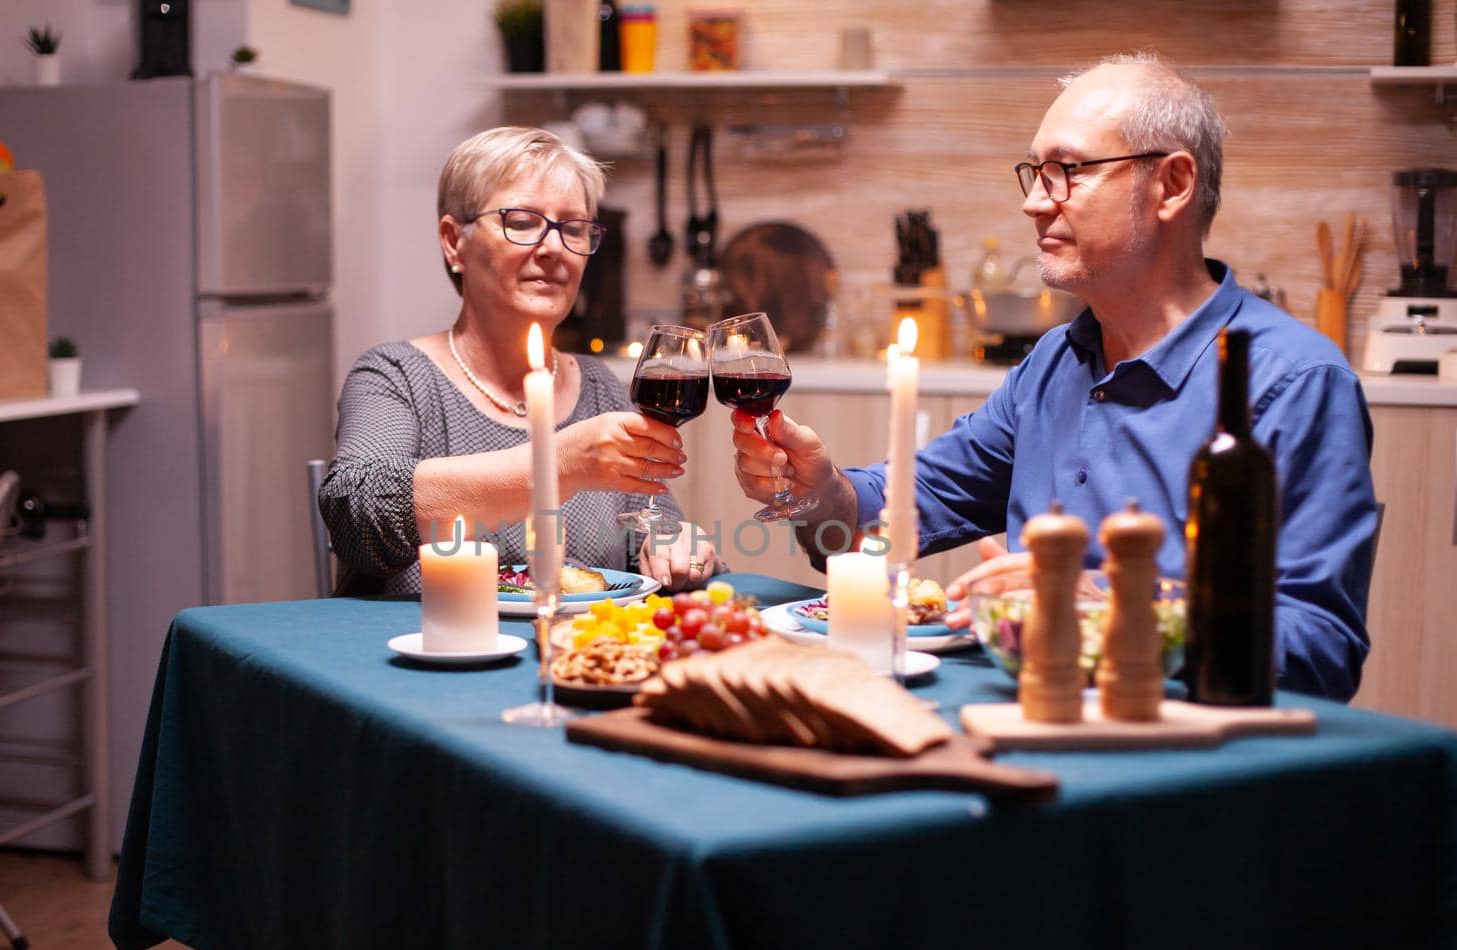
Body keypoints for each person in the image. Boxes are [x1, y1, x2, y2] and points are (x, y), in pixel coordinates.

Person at [732, 52, 1377, 702]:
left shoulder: (1294, 382)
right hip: (1031, 717)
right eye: (1034, 173)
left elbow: (1320, 651)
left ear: (1173, 184)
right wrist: (820, 492)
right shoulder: (1055, 364)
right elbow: (886, 520)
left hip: (1186, 760)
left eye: (1067, 171)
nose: (1035, 203)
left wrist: (1104, 603)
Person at [320, 126, 721, 594]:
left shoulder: (600, 388)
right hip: (421, 661)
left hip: (577, 661)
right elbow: (358, 516)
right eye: (522, 221)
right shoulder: (395, 376)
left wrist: (674, 546)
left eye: (574, 228)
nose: (554, 248)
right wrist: (559, 463)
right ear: (454, 242)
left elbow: (650, 536)